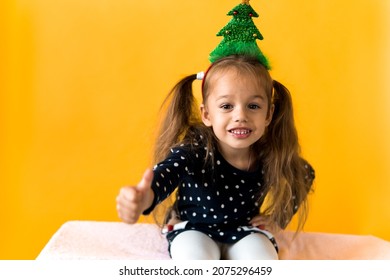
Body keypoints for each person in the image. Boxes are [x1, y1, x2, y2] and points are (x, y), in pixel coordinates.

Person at [116, 54, 315, 260]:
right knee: (195, 258)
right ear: (207, 114)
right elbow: (167, 173)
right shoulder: (194, 149)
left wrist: (277, 220)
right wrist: (144, 198)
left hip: (243, 230)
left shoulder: (270, 153)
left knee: (263, 260)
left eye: (253, 106)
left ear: (268, 115)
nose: (240, 116)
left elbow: (304, 174)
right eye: (226, 106)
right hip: (194, 229)